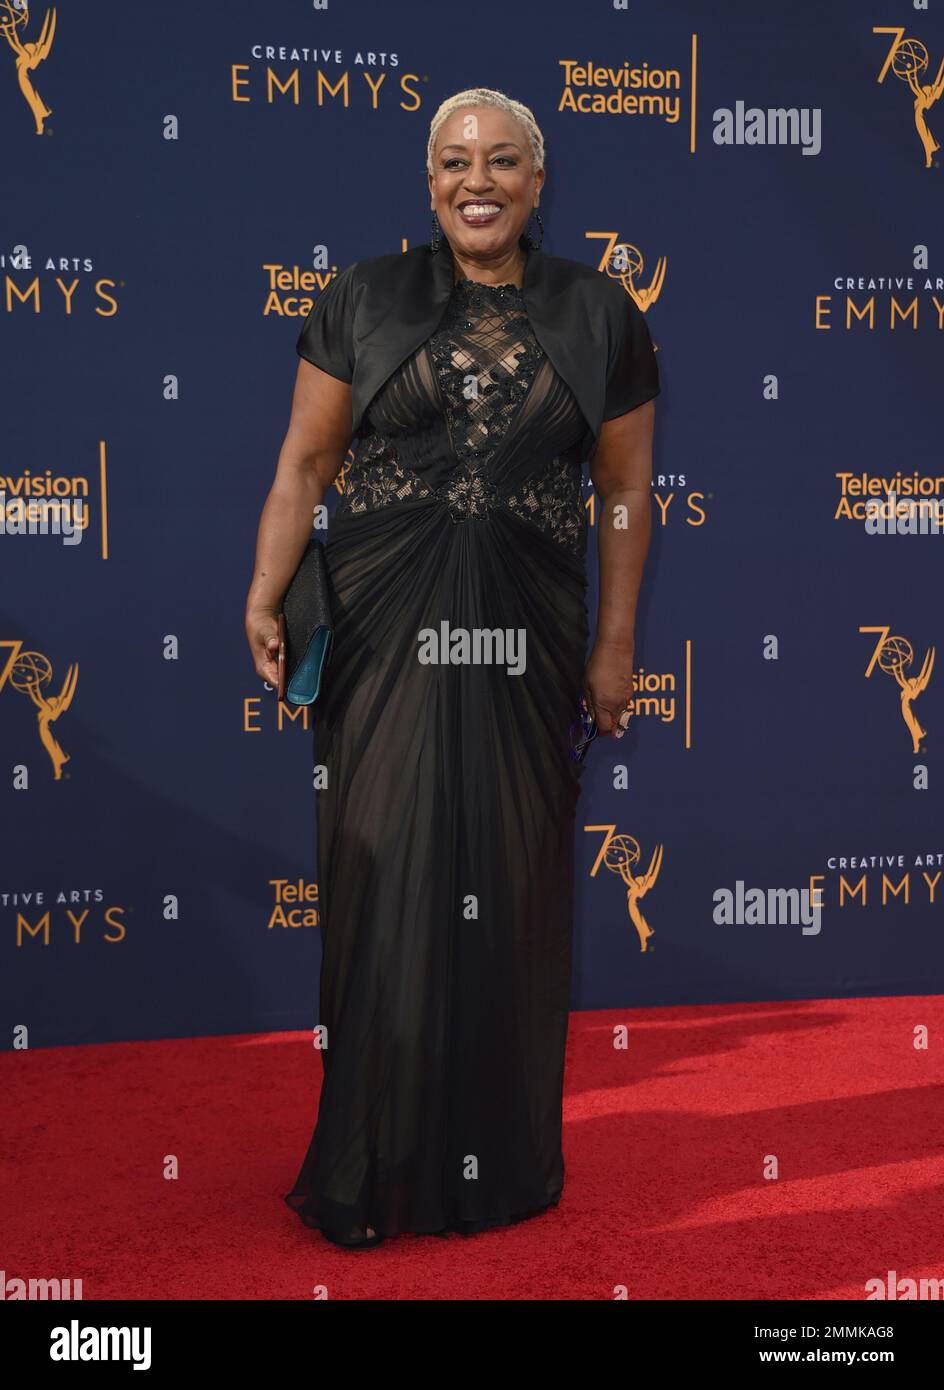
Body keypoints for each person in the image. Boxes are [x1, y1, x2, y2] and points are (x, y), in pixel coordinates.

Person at [244, 86, 660, 1249]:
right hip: (382, 624)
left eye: (502, 161)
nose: (476, 181)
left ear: (538, 181)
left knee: (511, 885)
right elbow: (304, 461)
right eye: (454, 162)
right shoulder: (364, 298)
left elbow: (624, 495)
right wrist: (264, 588)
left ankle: (495, 1164)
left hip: (524, 631)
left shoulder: (597, 312)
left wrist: (615, 641)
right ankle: (373, 1159)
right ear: (428, 184)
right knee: (383, 881)